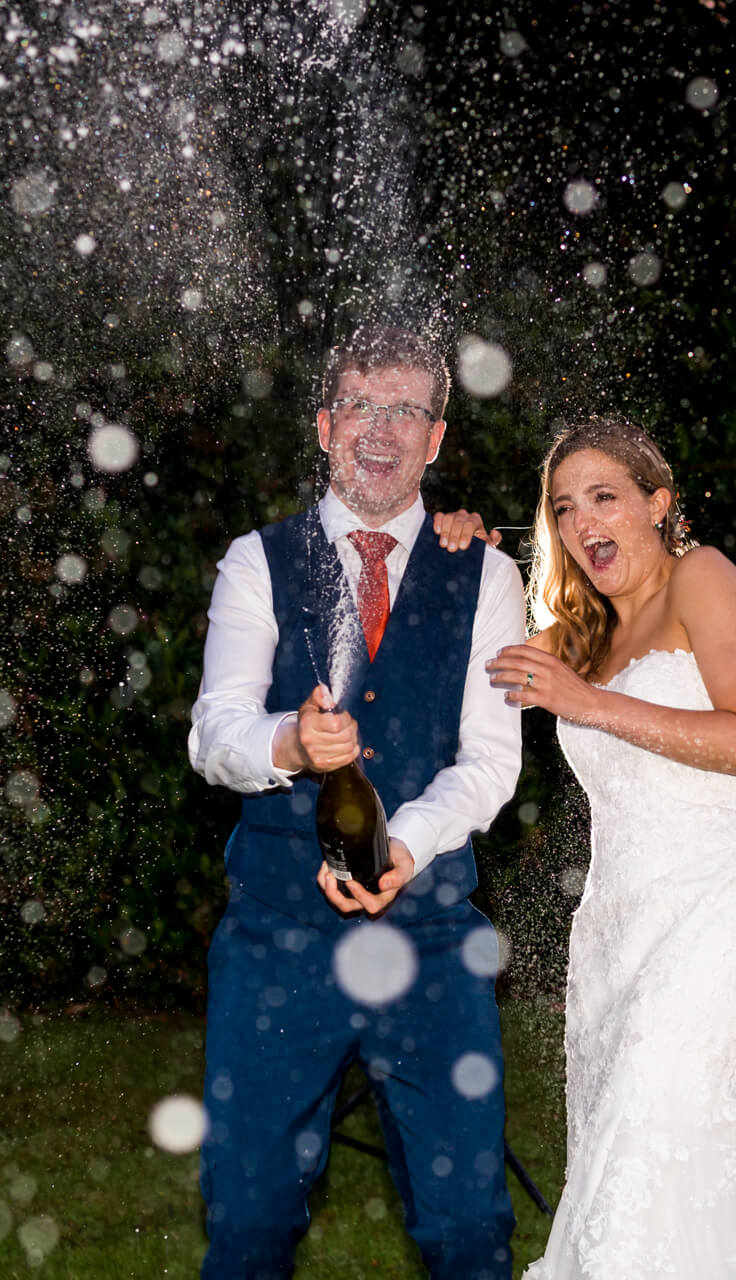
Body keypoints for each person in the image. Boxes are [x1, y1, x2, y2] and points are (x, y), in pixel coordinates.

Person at [187, 325, 526, 1279]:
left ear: (437, 438)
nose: (382, 429)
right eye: (363, 407)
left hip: (429, 943)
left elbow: (491, 759)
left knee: (467, 1230)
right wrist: (288, 742)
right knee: (248, 1224)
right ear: (327, 425)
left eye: (407, 410)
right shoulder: (258, 562)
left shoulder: (487, 574)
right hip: (277, 944)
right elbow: (215, 731)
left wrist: (407, 848)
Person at [478, 418, 736, 1277]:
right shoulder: (578, 637)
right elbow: (462, 669)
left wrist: (589, 703)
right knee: (639, 1164)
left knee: (659, 1133)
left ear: (658, 504)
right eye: (563, 509)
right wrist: (457, 552)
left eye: (603, 498)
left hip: (714, 916)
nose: (581, 524)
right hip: (613, 931)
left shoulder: (702, 579)